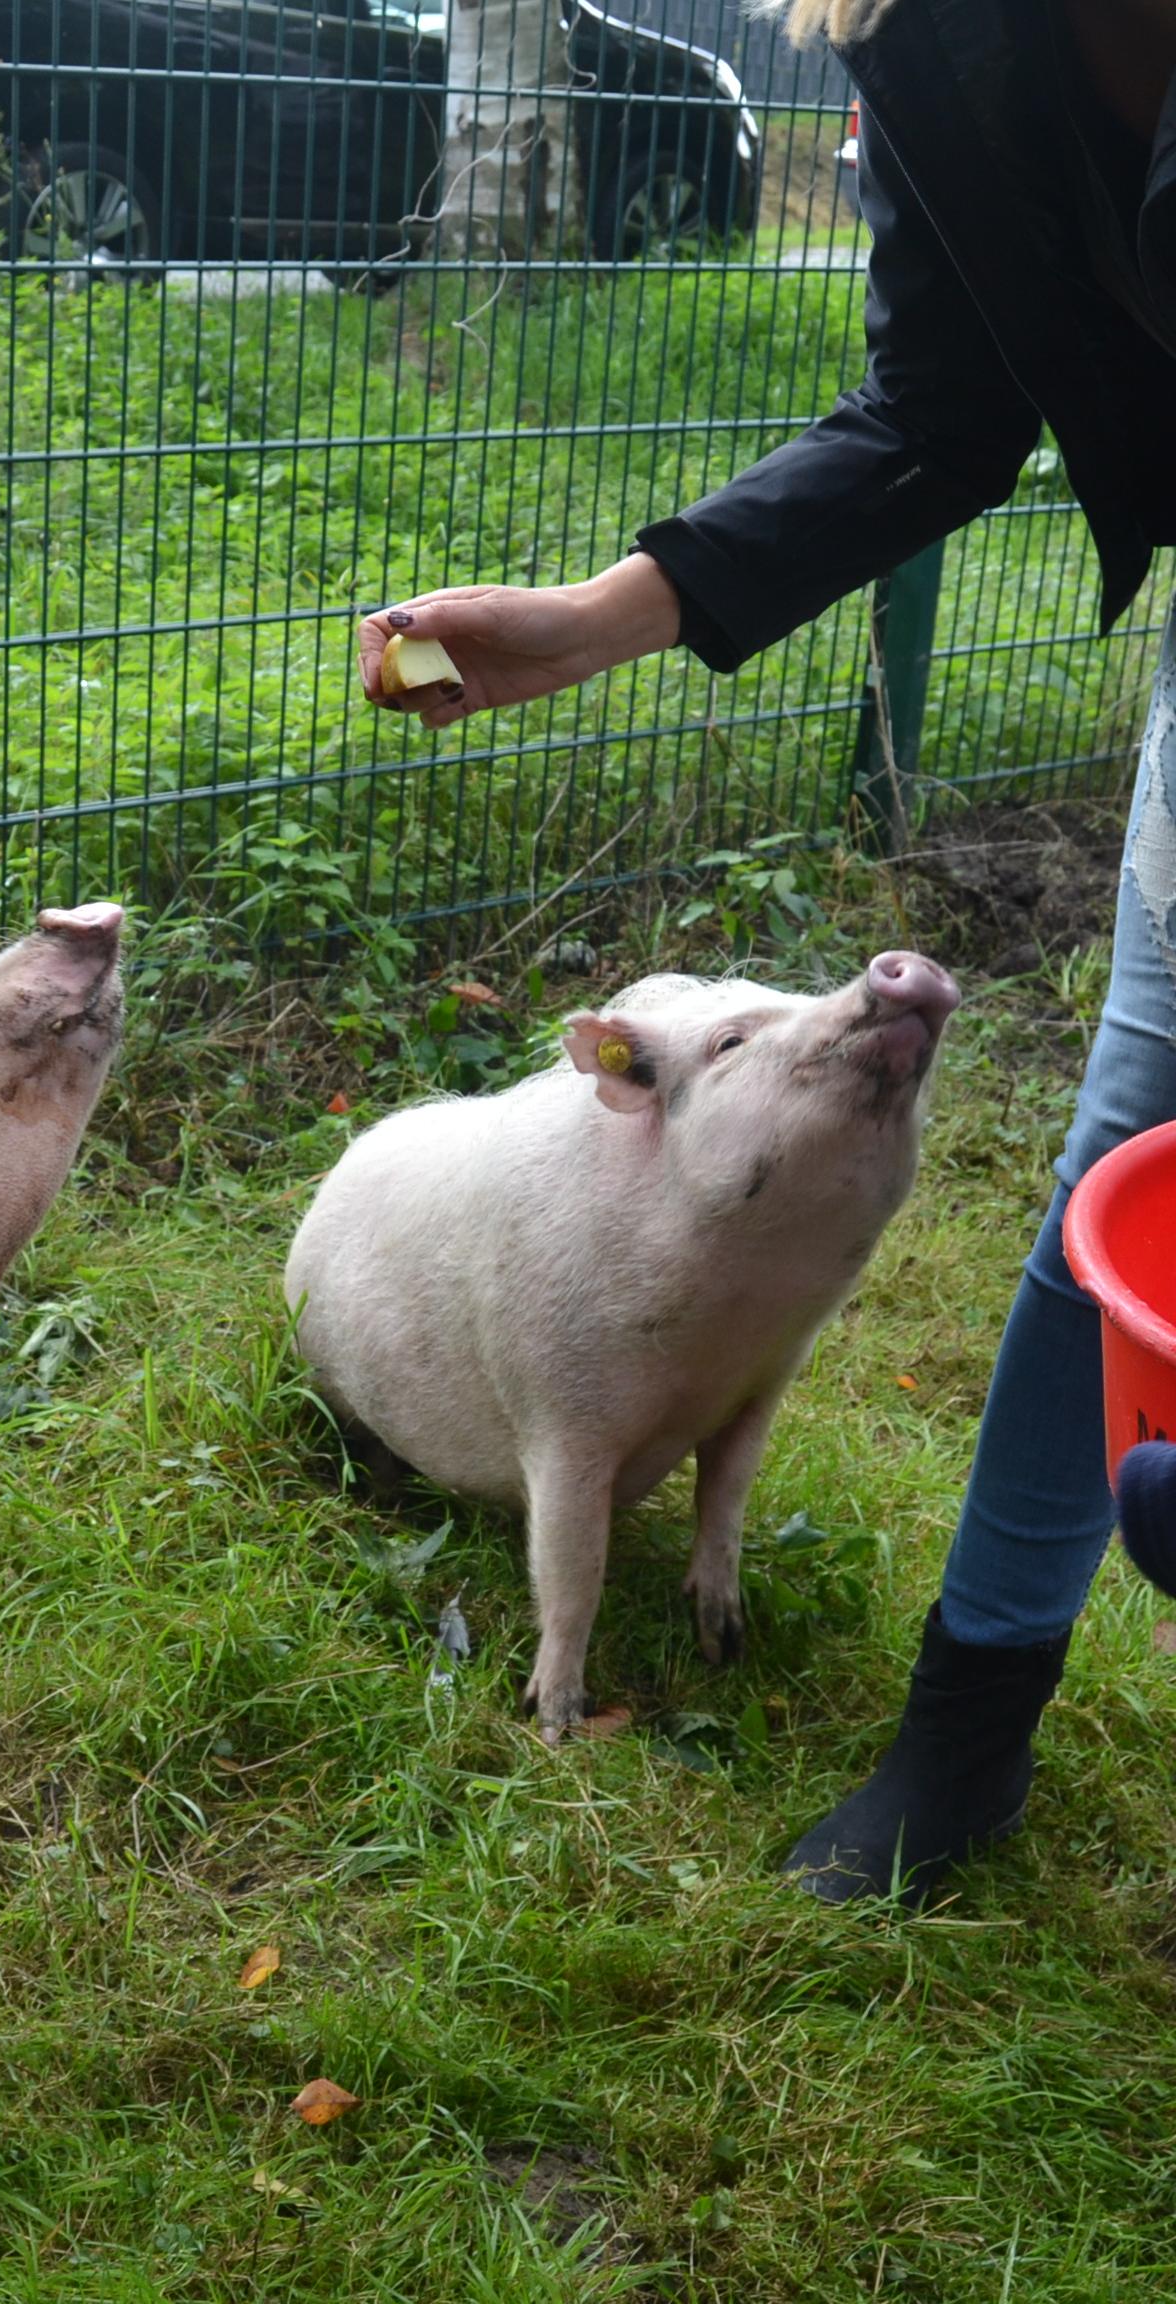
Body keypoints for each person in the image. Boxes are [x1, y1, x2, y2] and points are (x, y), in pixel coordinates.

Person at [356, 0, 1176, 1906]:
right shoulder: (946, 41)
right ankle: (971, 1722)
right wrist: (590, 621)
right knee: (1127, 1169)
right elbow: (939, 412)